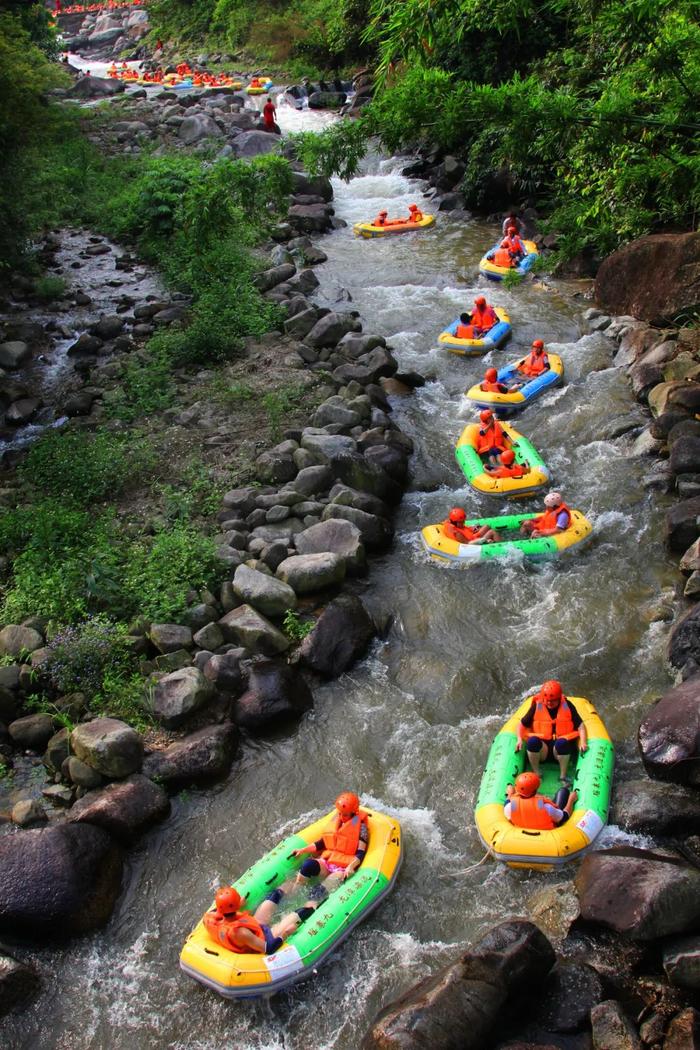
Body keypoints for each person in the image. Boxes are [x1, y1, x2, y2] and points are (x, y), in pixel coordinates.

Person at [290, 792, 368, 914]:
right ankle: (291, 898)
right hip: (328, 862)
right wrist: (302, 850)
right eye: (340, 814)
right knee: (307, 865)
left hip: (342, 869)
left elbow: (361, 853)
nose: (342, 817)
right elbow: (323, 842)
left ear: (354, 813)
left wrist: (350, 867)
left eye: (345, 815)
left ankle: (305, 913)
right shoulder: (337, 820)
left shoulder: (361, 827)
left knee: (317, 892)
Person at [515, 680, 588, 782]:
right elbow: (521, 725)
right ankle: (537, 773)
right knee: (532, 742)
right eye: (547, 700)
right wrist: (519, 739)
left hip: (559, 751)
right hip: (543, 750)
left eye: (552, 700)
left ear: (559, 698)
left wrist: (583, 742)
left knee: (562, 743)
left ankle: (563, 776)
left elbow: (580, 726)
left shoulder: (568, 705)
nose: (549, 703)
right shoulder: (536, 706)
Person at [203, 885, 300, 955]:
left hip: (256, 926)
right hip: (266, 938)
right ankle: (312, 904)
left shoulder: (207, 919)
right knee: (300, 913)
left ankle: (295, 883)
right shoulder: (240, 932)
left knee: (276, 894)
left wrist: (237, 905)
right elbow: (269, 948)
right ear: (236, 905)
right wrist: (285, 933)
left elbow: (221, 911)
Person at [504, 772, 578, 829]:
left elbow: (507, 802)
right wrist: (571, 800)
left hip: (522, 830)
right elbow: (564, 817)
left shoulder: (511, 806)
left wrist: (510, 794)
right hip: (545, 834)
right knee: (563, 791)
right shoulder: (545, 807)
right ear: (535, 791)